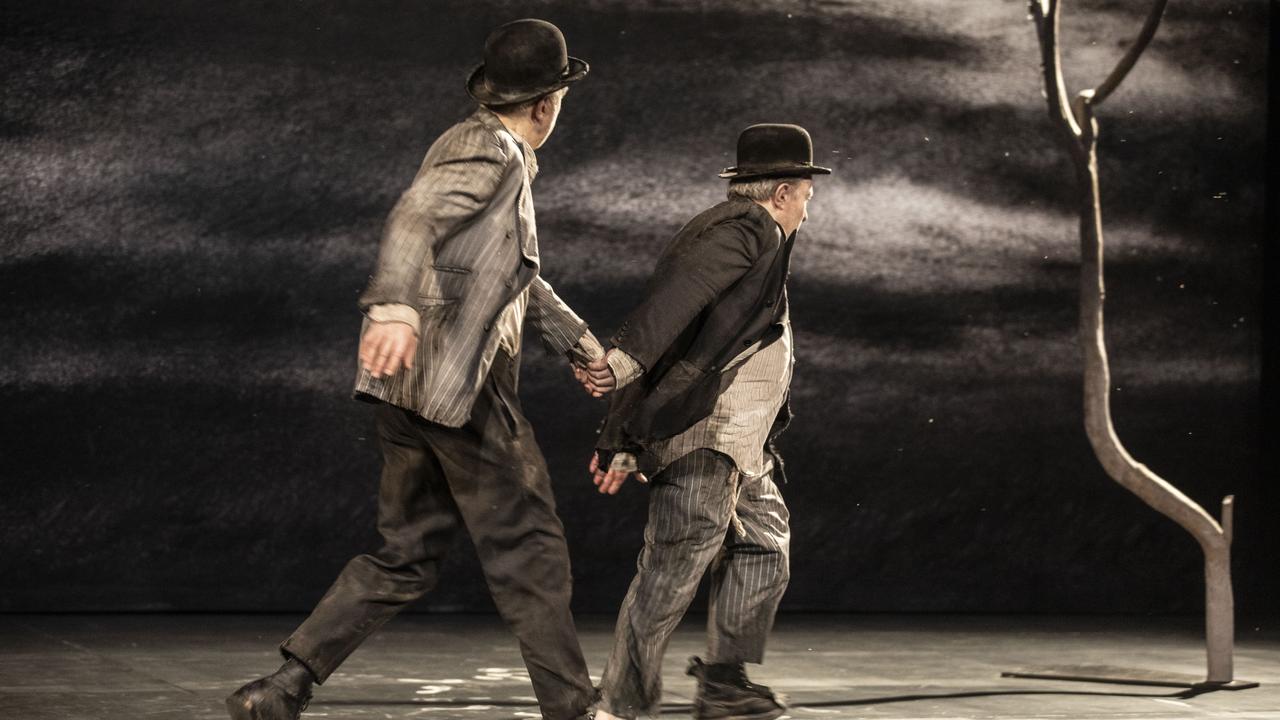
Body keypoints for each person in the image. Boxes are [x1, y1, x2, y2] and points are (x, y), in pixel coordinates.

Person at [226, 19, 602, 720]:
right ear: (547, 104)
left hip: (415, 394)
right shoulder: (485, 151)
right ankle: (573, 708)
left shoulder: (491, 151)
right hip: (460, 390)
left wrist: (581, 345)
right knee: (531, 548)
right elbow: (411, 220)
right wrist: (393, 305)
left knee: (408, 552)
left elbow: (511, 273)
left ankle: (280, 688)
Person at [577, 124, 830, 720]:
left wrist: (623, 435)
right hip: (707, 437)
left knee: (765, 545)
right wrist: (622, 367)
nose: (810, 205)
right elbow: (673, 305)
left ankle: (722, 680)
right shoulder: (740, 229)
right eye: (805, 193)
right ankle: (617, 704)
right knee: (672, 566)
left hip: (741, 443)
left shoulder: (756, 234)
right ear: (781, 194)